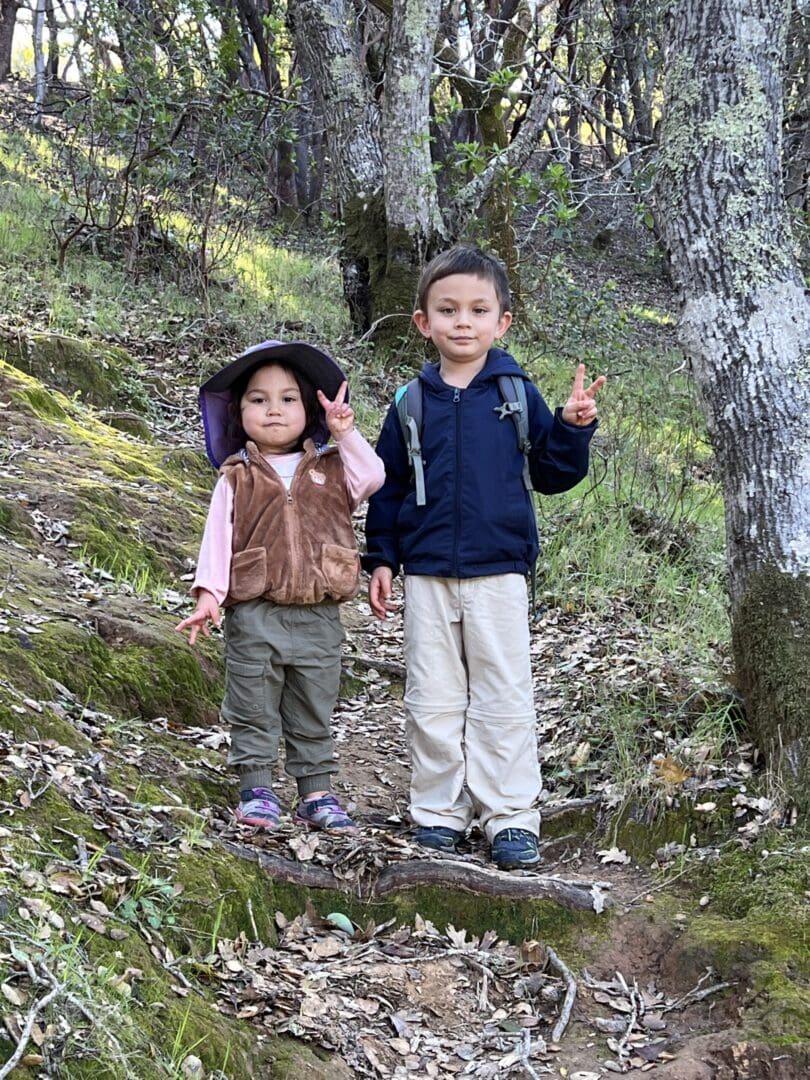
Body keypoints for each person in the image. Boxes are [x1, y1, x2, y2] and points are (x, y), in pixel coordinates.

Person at [363, 246, 605, 870]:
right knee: (433, 697)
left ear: (502, 322)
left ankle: (510, 817)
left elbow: (551, 475)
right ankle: (439, 812)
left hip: (500, 570)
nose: (462, 321)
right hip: (426, 573)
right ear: (424, 322)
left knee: (502, 696)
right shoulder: (409, 403)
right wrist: (382, 557)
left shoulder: (517, 394)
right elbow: (388, 486)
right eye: (447, 310)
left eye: (478, 309)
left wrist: (574, 428)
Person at [176, 340, 385, 832]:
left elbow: (374, 476)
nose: (274, 409)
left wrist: (346, 433)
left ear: (309, 408)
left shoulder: (334, 468)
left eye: (288, 398)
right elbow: (217, 539)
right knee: (252, 702)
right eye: (258, 399)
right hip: (254, 613)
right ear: (238, 413)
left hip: (318, 613)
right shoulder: (236, 476)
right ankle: (257, 789)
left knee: (313, 703)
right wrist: (210, 596)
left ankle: (315, 793)